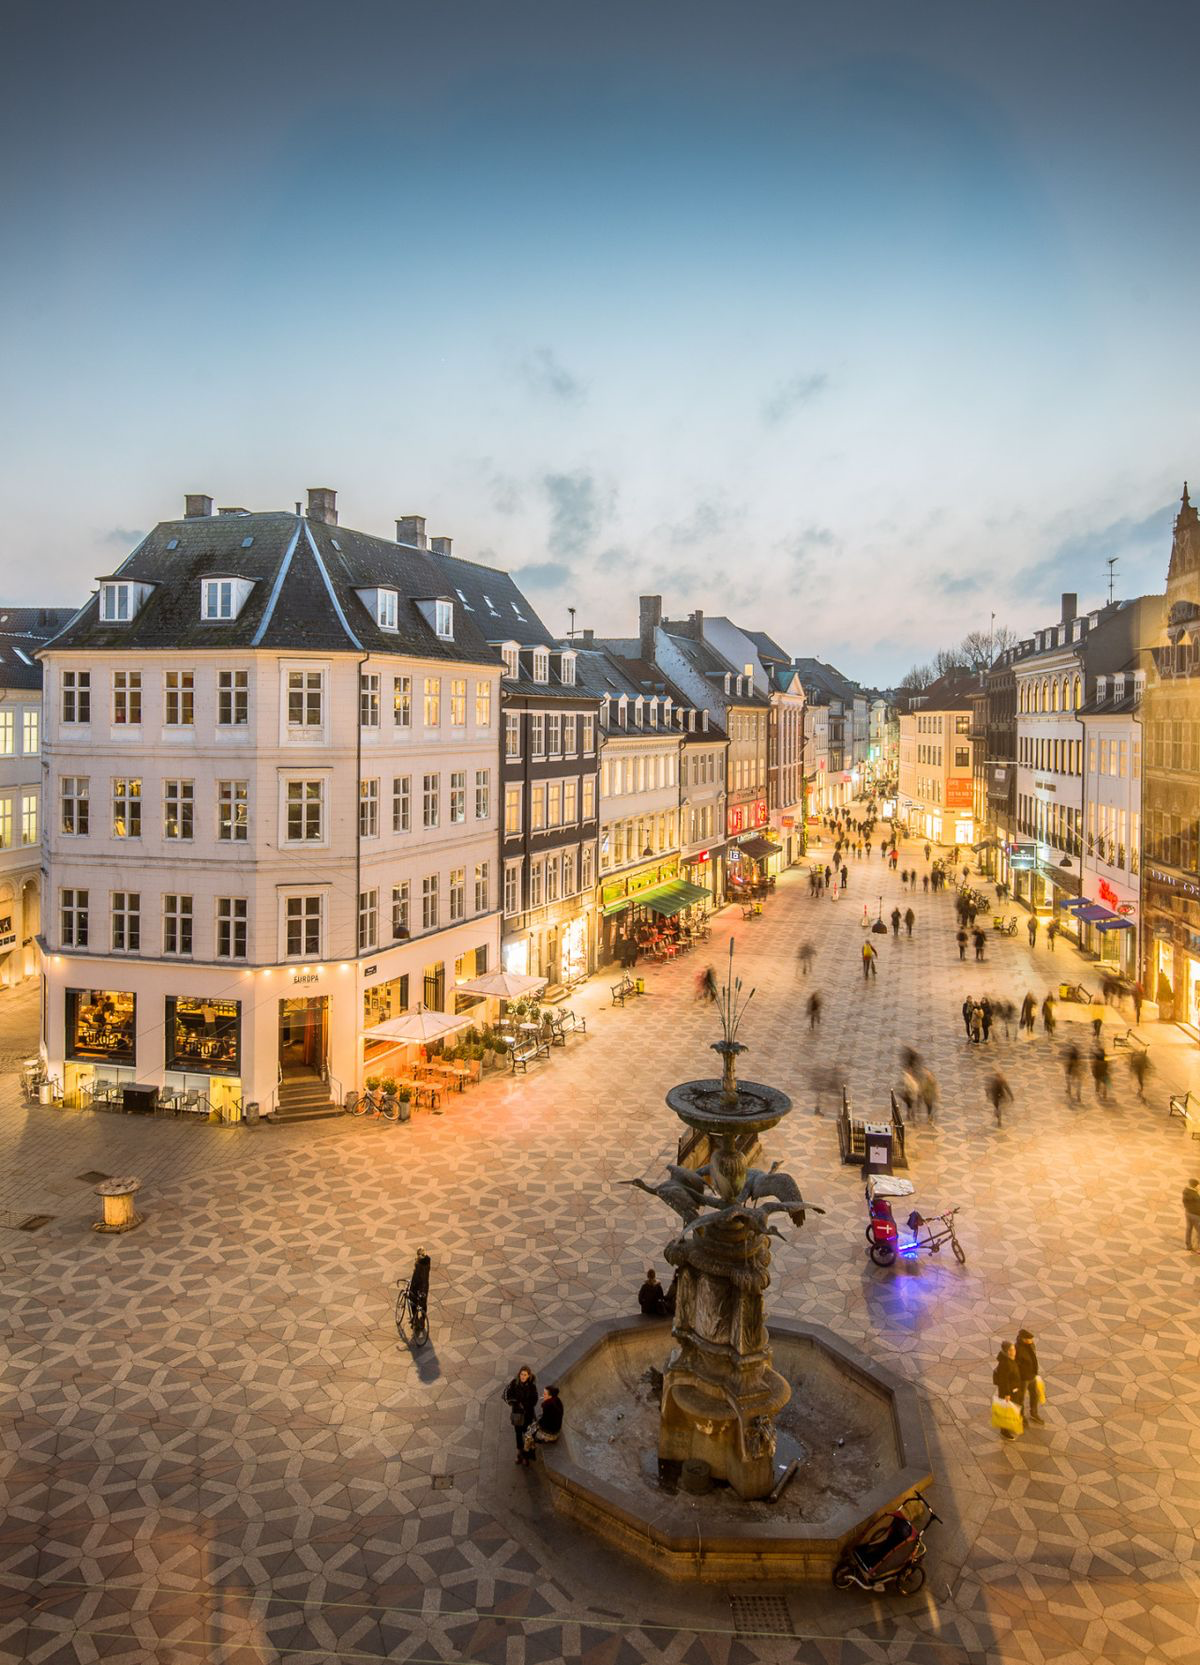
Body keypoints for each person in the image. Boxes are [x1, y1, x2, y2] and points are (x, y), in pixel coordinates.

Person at [504, 1365, 539, 1465]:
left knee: (528, 1435)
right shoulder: (514, 1383)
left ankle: (527, 1456)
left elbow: (535, 1399)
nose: (523, 1376)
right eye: (521, 1374)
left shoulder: (532, 1386)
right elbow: (507, 1395)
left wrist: (526, 1405)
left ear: (528, 1376)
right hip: (517, 1415)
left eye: (525, 1375)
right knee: (518, 1434)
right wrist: (516, 1402)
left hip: (528, 1415)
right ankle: (520, 1454)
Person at [523, 1384, 564, 1460]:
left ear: (550, 1396)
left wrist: (536, 1425)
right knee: (532, 1426)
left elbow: (544, 1423)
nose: (543, 1395)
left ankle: (527, 1452)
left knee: (528, 1434)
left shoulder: (548, 1405)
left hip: (552, 1434)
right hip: (555, 1428)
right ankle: (532, 1446)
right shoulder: (557, 1400)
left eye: (545, 1394)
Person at [992, 1341, 1023, 1440]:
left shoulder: (1010, 1359)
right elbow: (1004, 1380)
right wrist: (1006, 1394)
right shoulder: (1005, 1363)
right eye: (1011, 1350)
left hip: (1013, 1390)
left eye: (1014, 1349)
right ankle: (1004, 1431)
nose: (1014, 1351)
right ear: (1006, 1351)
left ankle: (1011, 1425)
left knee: (1012, 1408)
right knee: (1006, 1410)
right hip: (1008, 1392)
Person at [1015, 1328, 1043, 1425]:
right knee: (1020, 1398)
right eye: (1029, 1339)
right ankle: (1021, 1416)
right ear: (1023, 1339)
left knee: (1034, 1395)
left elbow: (1033, 1358)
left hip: (1032, 1375)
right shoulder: (1017, 1349)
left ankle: (1033, 1413)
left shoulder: (1031, 1345)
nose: (1032, 1341)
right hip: (1023, 1379)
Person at [1183, 1179, 1200, 1252]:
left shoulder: (1185, 1191)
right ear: (1195, 1186)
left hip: (1188, 1212)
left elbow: (1184, 1202)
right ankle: (1199, 1248)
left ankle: (1188, 1245)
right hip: (1196, 1215)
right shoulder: (1195, 1195)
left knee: (1189, 1229)